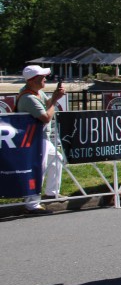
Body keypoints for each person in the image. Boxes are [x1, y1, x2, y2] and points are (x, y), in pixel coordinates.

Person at [16, 65, 66, 214]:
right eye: (42, 77)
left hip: (41, 137)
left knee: (56, 159)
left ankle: (51, 193)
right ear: (33, 80)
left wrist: (55, 96)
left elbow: (46, 105)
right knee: (39, 169)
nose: (45, 79)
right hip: (35, 139)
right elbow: (45, 117)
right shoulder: (29, 98)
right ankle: (32, 204)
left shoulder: (36, 93)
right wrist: (55, 100)